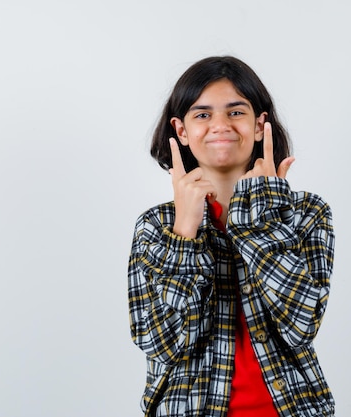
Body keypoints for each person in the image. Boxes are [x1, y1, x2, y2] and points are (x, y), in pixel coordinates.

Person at [127, 56, 336, 417]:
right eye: (203, 114)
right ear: (181, 130)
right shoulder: (155, 226)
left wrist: (259, 218)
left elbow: (301, 325)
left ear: (259, 125)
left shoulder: (306, 213)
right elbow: (162, 345)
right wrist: (185, 233)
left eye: (236, 112)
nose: (220, 125)